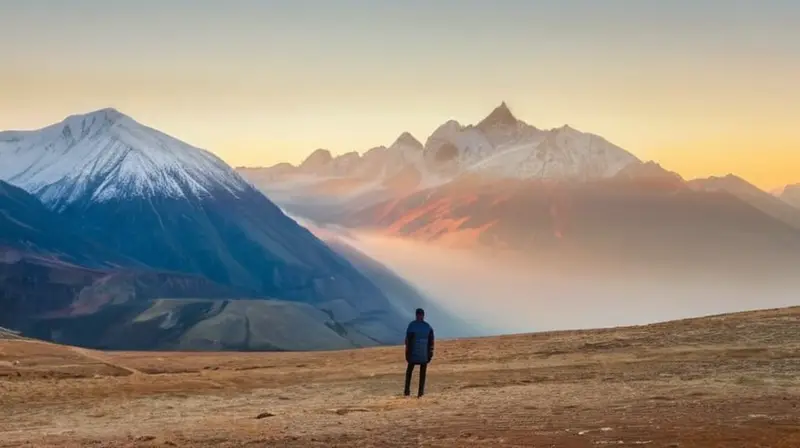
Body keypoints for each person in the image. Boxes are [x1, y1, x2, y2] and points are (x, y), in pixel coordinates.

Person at [404, 308, 434, 397]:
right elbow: (431, 341)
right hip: (423, 355)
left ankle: (407, 391)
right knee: (421, 373)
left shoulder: (412, 326)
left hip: (414, 354)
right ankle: (420, 393)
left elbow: (407, 341)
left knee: (409, 372)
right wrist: (430, 352)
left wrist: (407, 353)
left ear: (416, 315)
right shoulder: (427, 326)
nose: (419, 316)